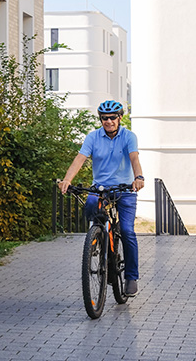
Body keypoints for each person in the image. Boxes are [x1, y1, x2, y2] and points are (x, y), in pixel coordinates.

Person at [59, 100, 144, 297]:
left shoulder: (129, 137)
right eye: (105, 118)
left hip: (125, 190)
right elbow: (79, 159)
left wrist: (138, 177)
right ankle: (97, 236)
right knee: (90, 203)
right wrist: (66, 180)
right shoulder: (93, 137)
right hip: (101, 189)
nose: (109, 121)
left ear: (120, 118)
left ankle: (131, 276)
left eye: (113, 117)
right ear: (101, 120)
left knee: (127, 230)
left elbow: (134, 158)